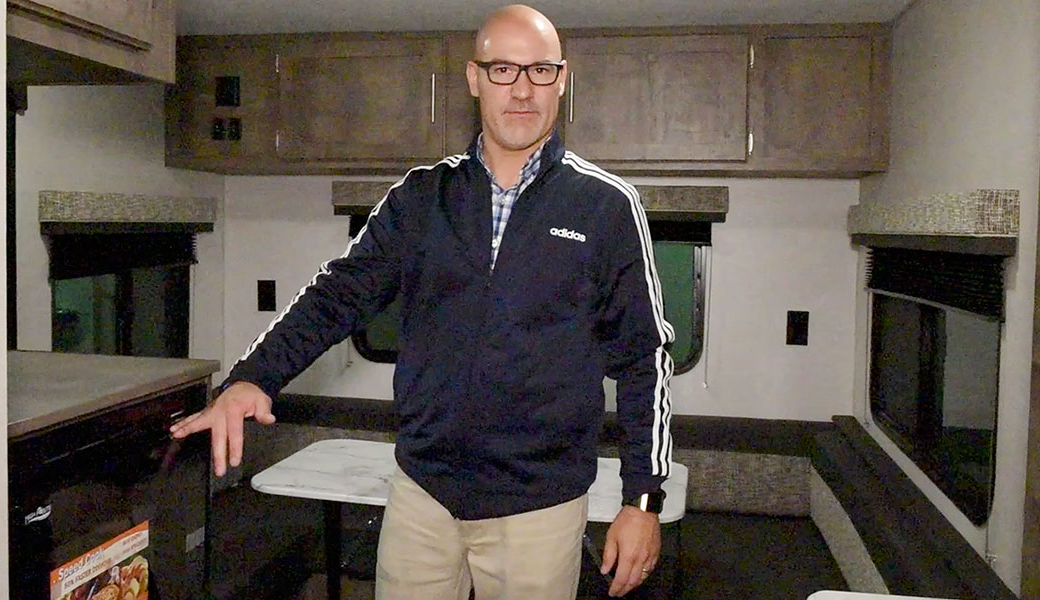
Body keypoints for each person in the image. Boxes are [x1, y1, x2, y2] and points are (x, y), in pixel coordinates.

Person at [171, 5, 675, 598]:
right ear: (474, 78)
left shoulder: (607, 206)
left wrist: (643, 499)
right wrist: (254, 376)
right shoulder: (420, 197)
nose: (522, 90)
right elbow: (337, 295)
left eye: (539, 71)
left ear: (561, 80)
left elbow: (645, 357)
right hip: (422, 497)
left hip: (540, 509)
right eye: (503, 69)